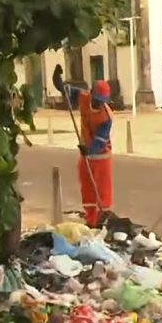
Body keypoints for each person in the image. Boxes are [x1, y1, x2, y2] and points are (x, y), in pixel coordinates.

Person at [52, 64, 113, 228]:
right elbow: (63, 89)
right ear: (91, 94)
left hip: (101, 157)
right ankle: (91, 220)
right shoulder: (83, 97)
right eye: (98, 101)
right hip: (85, 155)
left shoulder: (106, 117)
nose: (100, 104)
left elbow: (100, 142)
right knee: (87, 190)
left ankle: (103, 222)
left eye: (103, 102)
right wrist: (57, 78)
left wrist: (89, 149)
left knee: (102, 192)